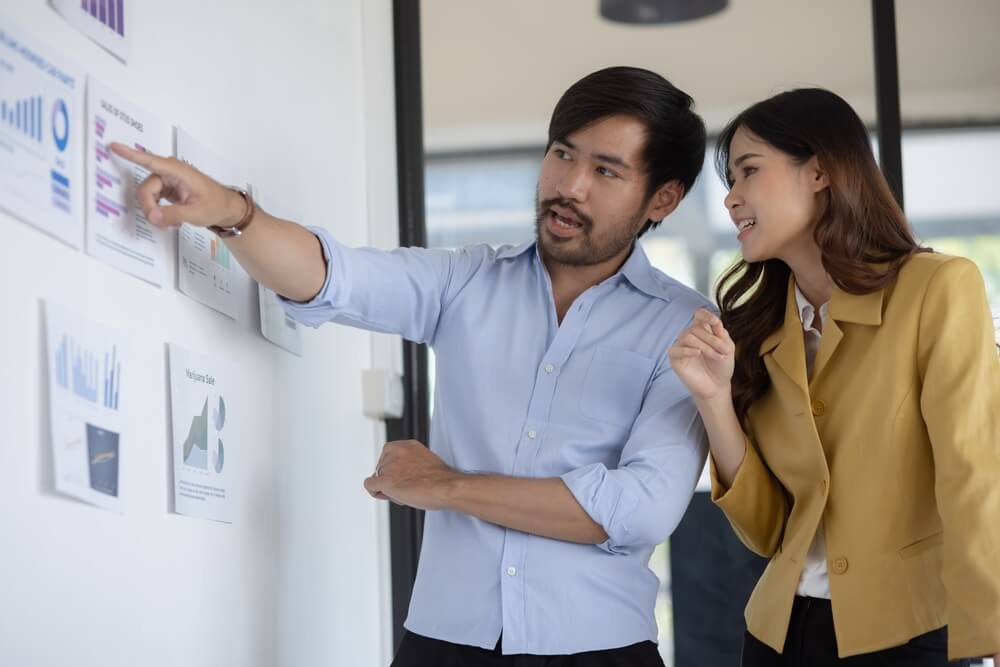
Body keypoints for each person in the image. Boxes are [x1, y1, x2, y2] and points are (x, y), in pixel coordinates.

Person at [113, 66, 712, 666]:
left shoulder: (687, 329)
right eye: (562, 154)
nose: (570, 186)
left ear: (662, 196)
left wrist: (444, 486)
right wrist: (228, 210)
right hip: (442, 645)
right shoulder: (468, 280)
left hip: (602, 649)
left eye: (605, 170)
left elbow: (638, 510)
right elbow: (330, 276)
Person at [668, 87, 1000, 666]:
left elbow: (972, 472)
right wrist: (715, 400)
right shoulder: (763, 330)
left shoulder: (936, 289)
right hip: (777, 637)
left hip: (908, 634)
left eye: (748, 171)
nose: (731, 199)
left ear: (819, 171)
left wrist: (994, 625)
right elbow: (770, 532)